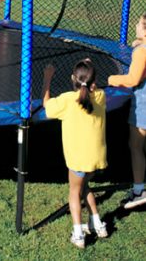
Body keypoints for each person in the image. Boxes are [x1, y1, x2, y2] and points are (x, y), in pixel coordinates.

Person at [42, 59, 108, 249]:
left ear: (73, 79)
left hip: (78, 160)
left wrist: (47, 79)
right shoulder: (101, 96)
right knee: (85, 186)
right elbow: (91, 87)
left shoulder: (67, 100)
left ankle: (78, 233)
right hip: (97, 159)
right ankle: (98, 224)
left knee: (74, 192)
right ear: (94, 82)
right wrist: (89, 66)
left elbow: (47, 105)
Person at [108, 14, 146, 209]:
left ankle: (139, 191)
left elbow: (133, 80)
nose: (135, 25)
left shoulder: (141, 51)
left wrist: (112, 79)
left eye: (139, 24)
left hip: (144, 105)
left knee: (136, 146)